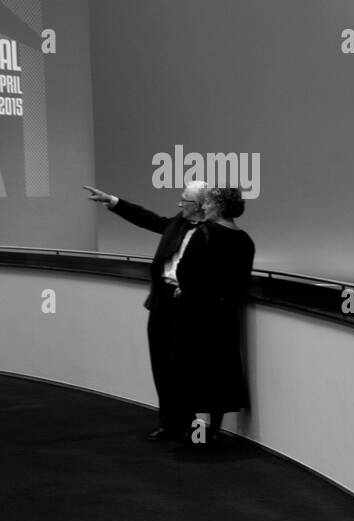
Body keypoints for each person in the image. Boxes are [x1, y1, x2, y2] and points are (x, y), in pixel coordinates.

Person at [86, 181, 210, 441]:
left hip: (187, 304)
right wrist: (113, 201)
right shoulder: (178, 222)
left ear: (199, 206)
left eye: (185, 201)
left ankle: (191, 426)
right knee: (161, 363)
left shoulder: (211, 233)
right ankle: (169, 424)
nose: (180, 205)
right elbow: (149, 220)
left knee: (184, 366)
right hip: (162, 300)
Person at [182, 186, 256, 445]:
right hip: (225, 315)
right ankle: (214, 430)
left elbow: (185, 272)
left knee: (194, 371)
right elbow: (241, 282)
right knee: (222, 371)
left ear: (220, 206)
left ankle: (196, 432)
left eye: (209, 203)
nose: (204, 207)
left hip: (199, 313)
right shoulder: (246, 240)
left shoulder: (204, 233)